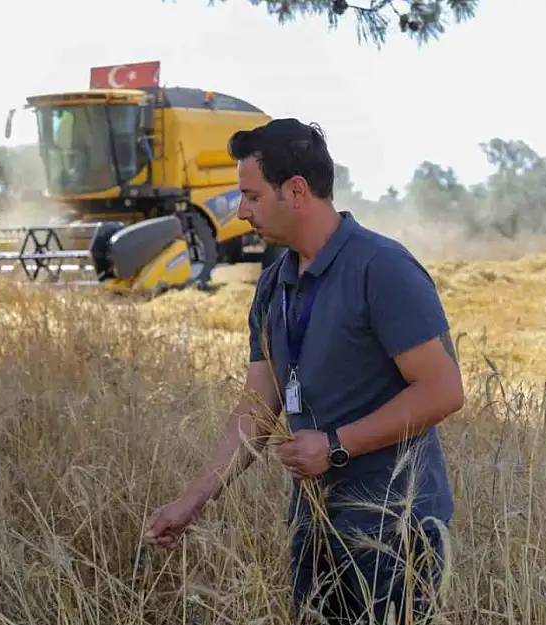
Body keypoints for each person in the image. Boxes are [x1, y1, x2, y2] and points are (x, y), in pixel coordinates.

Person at [142, 118, 464, 624]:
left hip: (394, 529)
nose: (241, 212)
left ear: (295, 190)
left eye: (250, 196)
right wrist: (190, 503)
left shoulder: (382, 269)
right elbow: (255, 409)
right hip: (313, 526)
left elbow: (444, 391)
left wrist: (336, 444)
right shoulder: (273, 286)